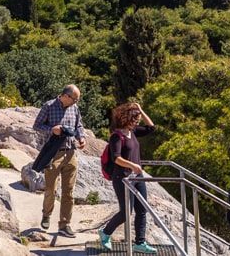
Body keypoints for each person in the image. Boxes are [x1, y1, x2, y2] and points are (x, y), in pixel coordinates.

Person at [98, 102, 158, 254]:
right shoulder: (116, 137)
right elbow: (116, 158)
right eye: (135, 119)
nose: (138, 122)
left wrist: (141, 109)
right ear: (127, 119)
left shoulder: (133, 132)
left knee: (141, 210)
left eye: (138, 119)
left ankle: (140, 242)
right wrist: (132, 165)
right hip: (123, 178)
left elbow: (151, 127)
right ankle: (105, 233)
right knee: (125, 212)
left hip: (137, 177)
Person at [32, 85, 86, 238]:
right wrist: (52, 129)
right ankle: (46, 214)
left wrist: (81, 138)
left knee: (69, 191)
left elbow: (79, 125)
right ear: (65, 96)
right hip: (53, 154)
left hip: (70, 153)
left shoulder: (74, 108)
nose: (76, 102)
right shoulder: (48, 106)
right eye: (74, 99)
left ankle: (64, 224)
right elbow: (36, 126)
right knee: (51, 189)